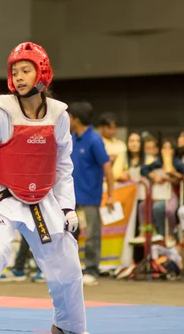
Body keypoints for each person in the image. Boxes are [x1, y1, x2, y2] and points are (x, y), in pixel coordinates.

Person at [0, 42, 88, 334]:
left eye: (25, 70)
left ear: (42, 73)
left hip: (42, 199)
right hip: (1, 197)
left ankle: (69, 327)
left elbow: (64, 165)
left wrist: (67, 207)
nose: (18, 77)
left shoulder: (59, 115)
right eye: (15, 71)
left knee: (67, 263)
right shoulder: (2, 111)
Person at [68, 101, 116, 286]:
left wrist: (110, 195)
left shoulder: (95, 140)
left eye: (70, 117)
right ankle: (71, 269)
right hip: (70, 198)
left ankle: (92, 269)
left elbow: (107, 168)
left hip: (89, 197)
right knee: (69, 235)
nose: (68, 120)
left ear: (77, 119)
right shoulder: (71, 138)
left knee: (92, 235)